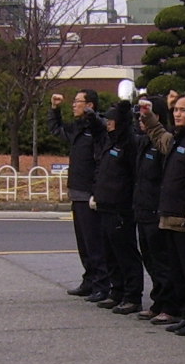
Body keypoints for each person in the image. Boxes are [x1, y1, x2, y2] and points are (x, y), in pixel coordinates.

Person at [143, 93, 185, 335]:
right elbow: (159, 136)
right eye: (176, 109)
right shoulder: (177, 139)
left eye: (183, 110)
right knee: (178, 272)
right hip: (169, 216)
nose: (178, 114)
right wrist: (148, 117)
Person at [51, 90, 110, 300]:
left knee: (94, 242)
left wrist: (96, 191)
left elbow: (100, 159)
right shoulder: (78, 128)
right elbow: (57, 130)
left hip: (88, 193)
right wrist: (55, 110)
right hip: (76, 191)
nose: (74, 105)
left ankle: (102, 283)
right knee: (83, 242)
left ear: (90, 105)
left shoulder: (97, 129)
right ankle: (89, 279)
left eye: (78, 101)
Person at [92, 98, 143, 313]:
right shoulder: (109, 141)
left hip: (121, 206)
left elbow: (133, 174)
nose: (108, 123)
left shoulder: (128, 143)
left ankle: (133, 295)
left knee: (125, 252)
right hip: (105, 204)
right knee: (110, 252)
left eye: (112, 120)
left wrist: (124, 111)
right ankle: (117, 290)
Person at [132, 95, 176, 323]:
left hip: (156, 210)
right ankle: (158, 301)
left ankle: (170, 305)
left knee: (162, 261)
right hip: (142, 208)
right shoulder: (143, 142)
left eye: (145, 115)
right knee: (149, 259)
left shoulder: (164, 143)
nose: (141, 120)